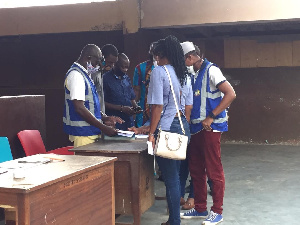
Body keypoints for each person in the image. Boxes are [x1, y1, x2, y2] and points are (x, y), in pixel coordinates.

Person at [180, 41, 236, 225]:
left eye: (184, 60)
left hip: (210, 128)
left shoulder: (212, 70)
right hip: (196, 129)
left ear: (190, 57)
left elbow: (230, 94)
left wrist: (211, 116)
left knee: (214, 169)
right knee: (196, 169)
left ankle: (217, 211)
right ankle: (201, 208)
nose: (183, 63)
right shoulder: (193, 73)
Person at [147, 35, 191, 225]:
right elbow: (187, 105)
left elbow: (157, 107)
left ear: (162, 54)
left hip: (167, 129)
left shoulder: (159, 72)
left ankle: (174, 221)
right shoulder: (184, 74)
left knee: (170, 179)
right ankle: (174, 219)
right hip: (183, 127)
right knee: (177, 175)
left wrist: (150, 133)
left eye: (156, 55)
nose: (155, 59)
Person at [63, 44, 123, 148]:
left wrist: (104, 117)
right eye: (97, 62)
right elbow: (79, 108)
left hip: (90, 132)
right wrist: (104, 127)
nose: (98, 65)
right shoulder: (76, 76)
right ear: (88, 58)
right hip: (82, 134)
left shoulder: (85, 75)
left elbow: (89, 105)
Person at [103, 53, 142, 130]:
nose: (125, 70)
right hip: (115, 123)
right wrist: (121, 108)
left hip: (129, 123)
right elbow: (102, 102)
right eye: (123, 67)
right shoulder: (105, 79)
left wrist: (136, 108)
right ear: (115, 64)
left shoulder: (126, 78)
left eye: (127, 67)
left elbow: (132, 98)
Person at [133, 42, 157, 127]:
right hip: (144, 110)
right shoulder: (139, 68)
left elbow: (136, 90)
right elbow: (136, 90)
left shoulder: (140, 67)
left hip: (153, 109)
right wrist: (134, 106)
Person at [91, 44, 118, 114]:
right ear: (101, 58)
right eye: (110, 62)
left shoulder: (101, 73)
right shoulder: (93, 74)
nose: (112, 66)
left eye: (114, 63)